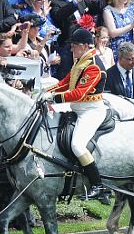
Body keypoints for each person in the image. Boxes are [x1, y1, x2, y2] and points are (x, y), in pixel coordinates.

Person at [43, 28, 107, 188]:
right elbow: (65, 82)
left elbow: (78, 93)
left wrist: (53, 97)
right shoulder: (81, 60)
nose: (71, 48)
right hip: (76, 107)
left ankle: (98, 185)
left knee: (77, 145)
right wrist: (44, 92)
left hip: (90, 110)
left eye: (74, 45)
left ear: (85, 46)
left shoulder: (93, 66)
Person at [104, 41, 134, 108]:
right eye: (130, 59)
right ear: (120, 58)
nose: (133, 62)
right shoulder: (109, 75)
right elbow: (108, 100)